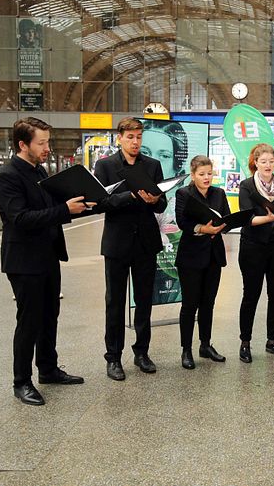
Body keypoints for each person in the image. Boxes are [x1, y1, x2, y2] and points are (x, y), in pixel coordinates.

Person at [0, 117, 89, 406]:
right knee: (29, 321)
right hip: (24, 261)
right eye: (42, 143)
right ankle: (21, 382)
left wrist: (83, 205)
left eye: (48, 141)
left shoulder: (40, 170)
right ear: (23, 144)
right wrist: (64, 209)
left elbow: (53, 209)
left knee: (50, 315)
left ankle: (47, 369)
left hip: (47, 256)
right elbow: (20, 219)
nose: (47, 147)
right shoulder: (9, 175)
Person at [94, 117, 168, 381]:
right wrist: (132, 196)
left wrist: (155, 199)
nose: (135, 142)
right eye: (130, 137)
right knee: (114, 301)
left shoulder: (153, 165)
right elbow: (99, 203)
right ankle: (113, 357)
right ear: (120, 138)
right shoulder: (105, 166)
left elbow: (161, 205)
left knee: (144, 300)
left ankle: (142, 352)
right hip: (117, 242)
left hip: (145, 242)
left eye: (139, 137)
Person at [237, 143, 274, 363]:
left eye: (272, 161)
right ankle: (245, 342)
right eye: (263, 161)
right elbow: (247, 219)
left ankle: (272, 340)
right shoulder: (247, 186)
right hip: (253, 246)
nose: (268, 165)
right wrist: (272, 217)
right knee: (251, 295)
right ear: (255, 163)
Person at [174, 155, 229, 369]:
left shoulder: (219, 193)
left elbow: (227, 216)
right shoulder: (184, 193)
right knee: (190, 305)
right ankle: (186, 349)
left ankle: (205, 345)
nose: (207, 178)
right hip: (191, 256)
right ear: (193, 174)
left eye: (209, 173)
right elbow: (182, 222)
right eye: (202, 174)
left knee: (208, 303)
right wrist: (203, 229)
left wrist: (221, 227)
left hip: (214, 255)